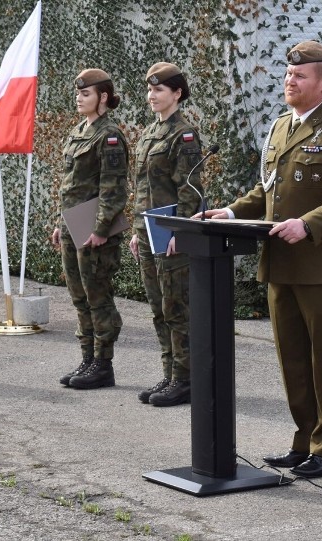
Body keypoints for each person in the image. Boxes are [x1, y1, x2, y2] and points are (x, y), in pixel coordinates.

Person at [199, 40, 322, 478]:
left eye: (299, 76)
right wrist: (233, 212)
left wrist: (308, 224)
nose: (289, 81)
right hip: (283, 264)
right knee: (293, 359)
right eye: (287, 74)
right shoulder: (280, 127)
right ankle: (304, 440)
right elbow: (268, 191)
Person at [130, 62, 204, 406]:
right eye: (149, 90)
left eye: (159, 90)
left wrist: (183, 230)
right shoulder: (148, 133)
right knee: (158, 306)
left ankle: (186, 378)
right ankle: (169, 373)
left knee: (176, 306)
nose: (152, 95)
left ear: (177, 93)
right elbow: (141, 187)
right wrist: (135, 229)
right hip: (148, 230)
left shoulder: (184, 134)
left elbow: (189, 189)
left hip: (170, 231)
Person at [52, 69, 129, 389]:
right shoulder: (79, 131)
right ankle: (87, 359)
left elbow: (113, 189)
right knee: (79, 295)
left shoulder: (109, 136)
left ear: (104, 98)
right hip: (74, 222)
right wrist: (61, 224)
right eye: (78, 94)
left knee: (98, 296)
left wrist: (100, 229)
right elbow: (70, 185)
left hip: (95, 226)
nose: (79, 98)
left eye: (86, 94)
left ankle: (102, 363)